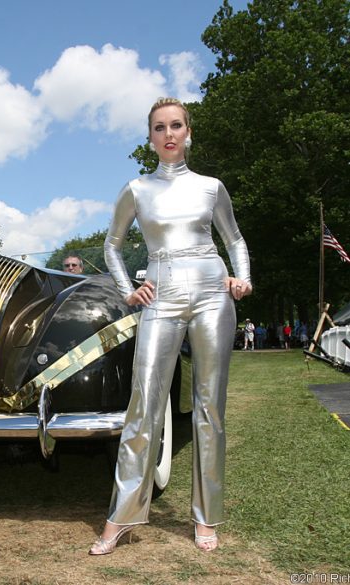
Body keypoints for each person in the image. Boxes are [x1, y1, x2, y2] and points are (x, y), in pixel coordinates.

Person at [92, 97, 252, 555]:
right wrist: (128, 289)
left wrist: (243, 278)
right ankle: (121, 516)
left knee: (209, 407)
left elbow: (234, 238)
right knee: (144, 404)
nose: (169, 134)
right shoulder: (136, 189)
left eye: (176, 125)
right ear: (150, 137)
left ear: (188, 133)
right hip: (159, 297)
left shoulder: (210, 187)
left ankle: (206, 518)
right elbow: (112, 246)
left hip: (211, 295)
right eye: (160, 127)